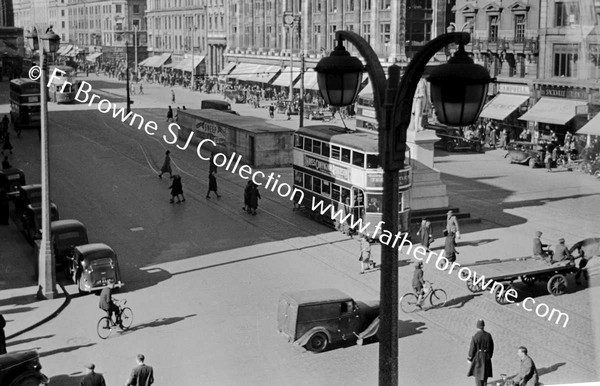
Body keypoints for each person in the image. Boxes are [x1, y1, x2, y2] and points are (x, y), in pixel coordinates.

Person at [467, 319, 494, 386]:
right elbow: (492, 347)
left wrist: (470, 358)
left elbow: (472, 349)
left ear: (477, 326)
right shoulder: (488, 335)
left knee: (478, 376)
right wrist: (489, 356)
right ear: (483, 326)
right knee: (485, 377)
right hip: (486, 357)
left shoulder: (475, 336)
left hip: (478, 357)